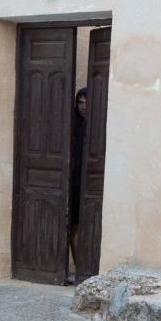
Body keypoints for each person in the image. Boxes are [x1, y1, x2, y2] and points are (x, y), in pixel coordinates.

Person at [69, 87, 86, 284]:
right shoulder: (73, 124)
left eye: (87, 102)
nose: (83, 107)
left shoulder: (97, 124)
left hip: (89, 184)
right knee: (74, 227)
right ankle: (79, 268)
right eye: (80, 103)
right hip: (73, 183)